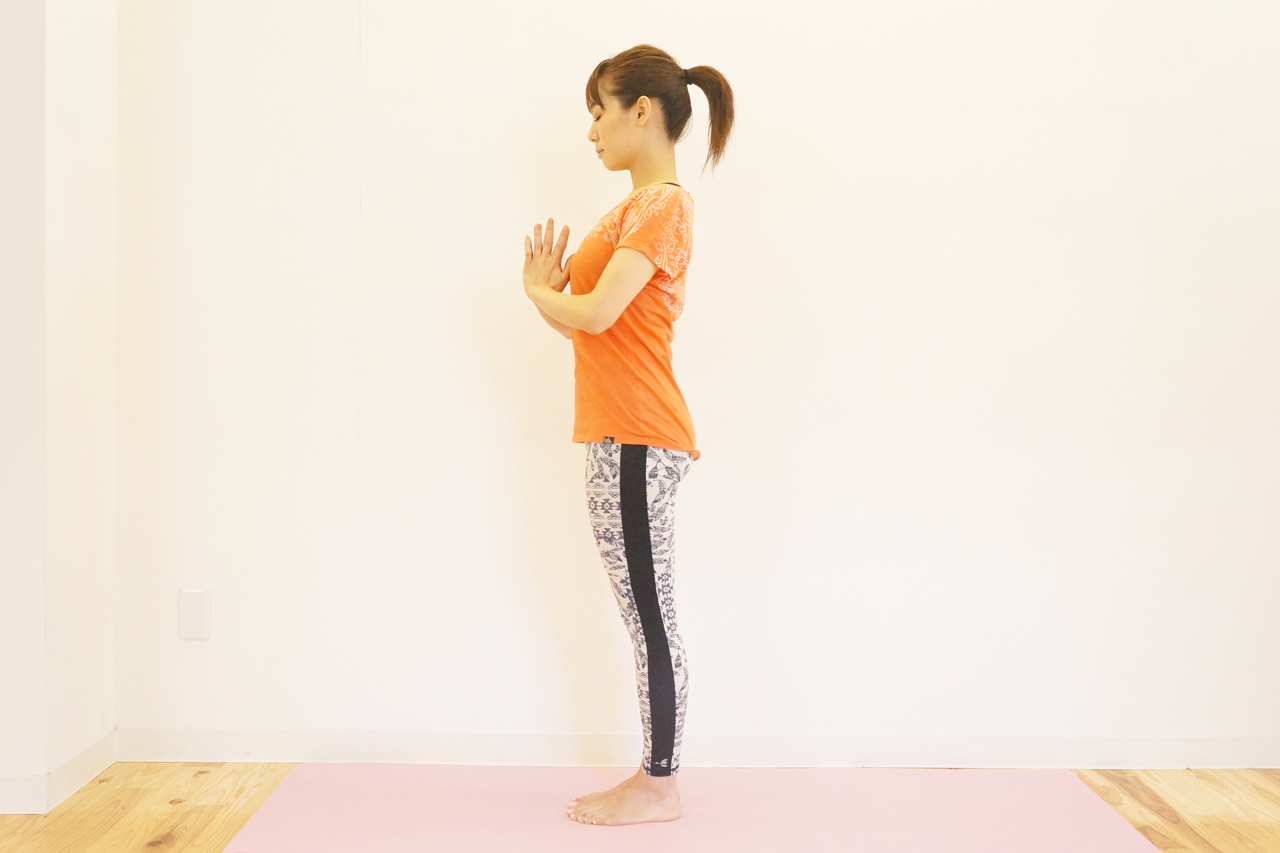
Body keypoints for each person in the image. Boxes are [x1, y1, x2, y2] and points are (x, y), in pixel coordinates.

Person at [521, 44, 734, 826]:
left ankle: (659, 784)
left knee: (651, 616)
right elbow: (590, 327)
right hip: (620, 436)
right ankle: (652, 776)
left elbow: (597, 311)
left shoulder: (663, 207)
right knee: (644, 613)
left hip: (639, 438)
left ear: (641, 111)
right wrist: (551, 297)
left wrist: (538, 291)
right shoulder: (632, 209)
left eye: (599, 112)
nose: (590, 132)